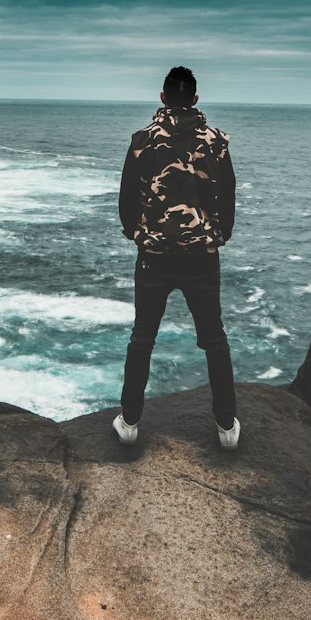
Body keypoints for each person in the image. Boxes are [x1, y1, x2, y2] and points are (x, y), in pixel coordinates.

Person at [113, 65, 239, 449]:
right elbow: (228, 199)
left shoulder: (142, 140)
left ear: (163, 97)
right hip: (202, 257)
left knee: (142, 338)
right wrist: (218, 236)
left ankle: (130, 423)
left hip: (155, 257)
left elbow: (126, 200)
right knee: (214, 340)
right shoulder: (216, 141)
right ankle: (226, 427)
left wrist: (139, 236)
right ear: (196, 100)